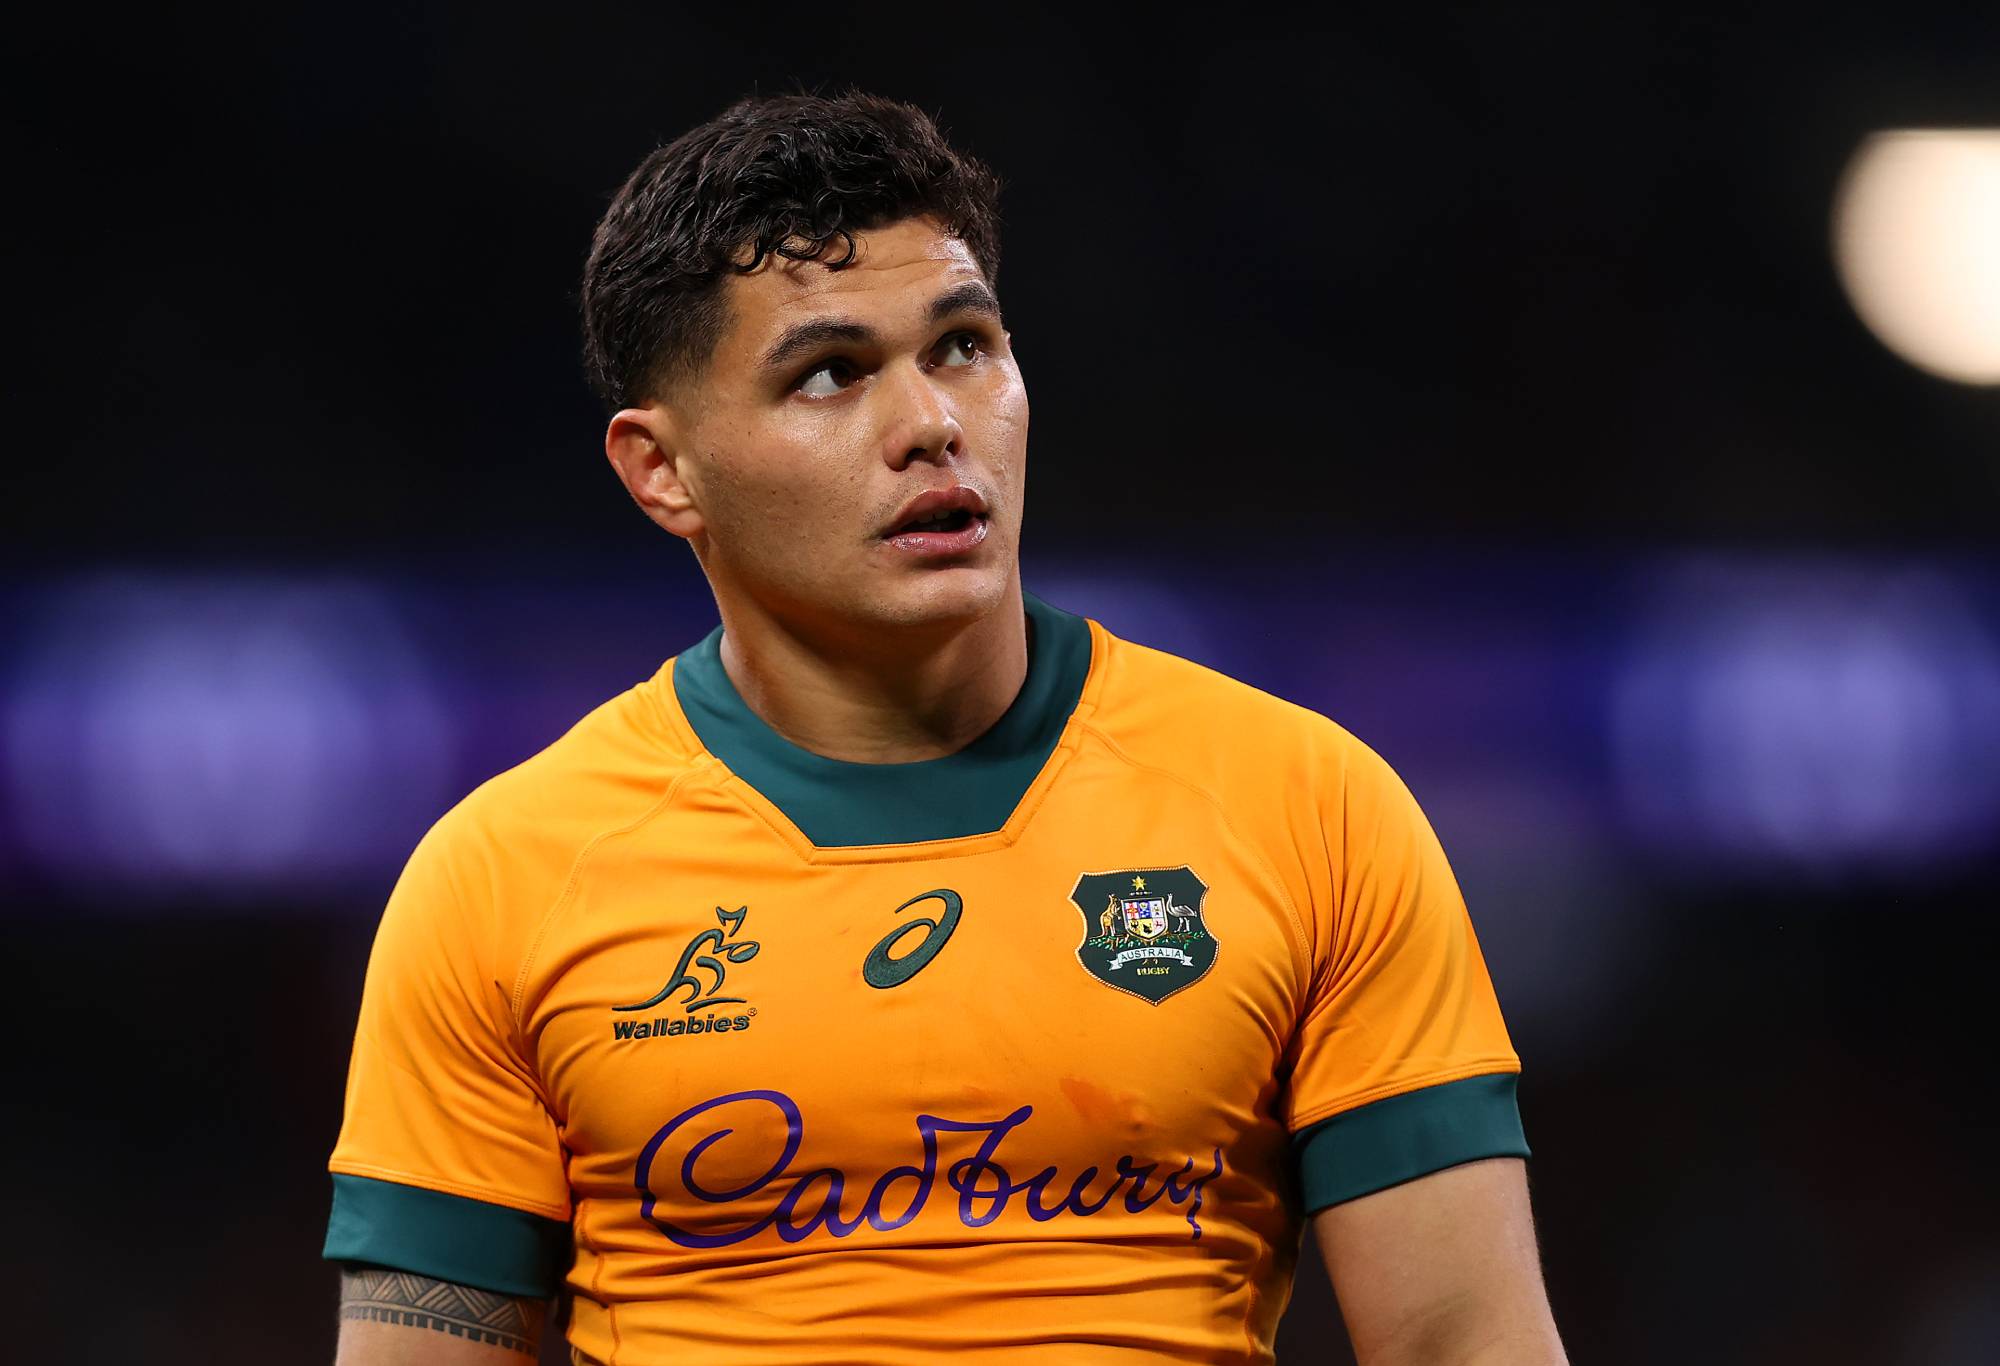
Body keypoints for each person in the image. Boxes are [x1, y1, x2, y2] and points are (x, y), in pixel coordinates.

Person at [323, 89, 1569, 1366]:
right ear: (662, 470)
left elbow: (1465, 1342)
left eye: (962, 345)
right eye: (829, 374)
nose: (930, 423)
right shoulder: (502, 880)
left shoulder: (1307, 807)